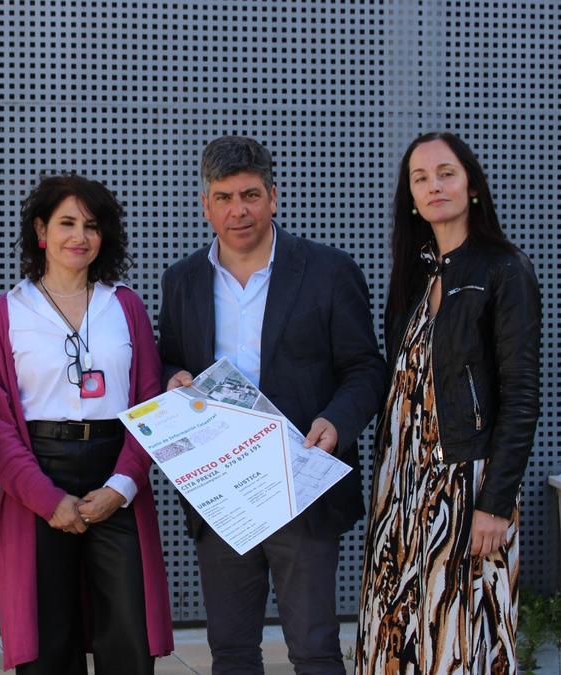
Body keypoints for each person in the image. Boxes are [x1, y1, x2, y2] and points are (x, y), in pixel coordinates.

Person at [158, 136, 386, 674]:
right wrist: (173, 379)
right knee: (231, 649)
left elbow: (366, 368)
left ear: (273, 197)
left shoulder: (328, 271)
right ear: (205, 204)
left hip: (300, 483)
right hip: (221, 490)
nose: (239, 210)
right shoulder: (183, 280)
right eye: (224, 197)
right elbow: (168, 360)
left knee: (313, 648)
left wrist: (337, 422)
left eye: (250, 194)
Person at [356, 132, 540, 674]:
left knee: (460, 638)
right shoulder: (417, 274)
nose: (433, 185)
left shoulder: (504, 270)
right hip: (402, 488)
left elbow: (521, 396)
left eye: (446, 173)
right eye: (420, 178)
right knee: (397, 633)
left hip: (467, 485)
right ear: (410, 197)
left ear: (472, 185)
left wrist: (495, 502)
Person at [0, 174, 174, 674]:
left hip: (117, 475)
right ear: (41, 231)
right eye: (66, 223)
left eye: (91, 225)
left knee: (128, 630)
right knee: (49, 637)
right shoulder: (8, 312)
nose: (79, 236)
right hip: (39, 478)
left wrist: (123, 485)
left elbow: (150, 402)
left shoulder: (123, 305)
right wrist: (46, 499)